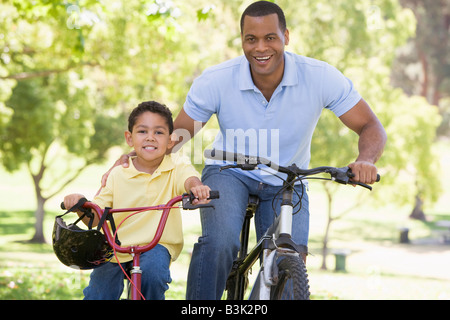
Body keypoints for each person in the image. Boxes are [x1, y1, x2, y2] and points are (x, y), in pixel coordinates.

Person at [106, 1, 387, 300]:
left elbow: (370, 125)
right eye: (251, 39)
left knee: (289, 256)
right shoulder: (217, 79)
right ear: (241, 40)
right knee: (220, 242)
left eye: (270, 38)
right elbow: (178, 134)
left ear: (286, 37)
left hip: (289, 177)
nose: (260, 47)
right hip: (228, 171)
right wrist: (139, 156)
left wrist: (365, 159)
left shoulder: (320, 77)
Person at [63, 101, 211, 300]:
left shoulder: (176, 166)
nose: (150, 137)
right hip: (117, 247)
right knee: (99, 293)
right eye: (142, 131)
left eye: (159, 132)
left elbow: (189, 179)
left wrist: (196, 188)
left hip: (157, 245)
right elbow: (96, 217)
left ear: (170, 140)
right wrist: (80, 205)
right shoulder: (118, 173)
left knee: (153, 275)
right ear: (129, 138)